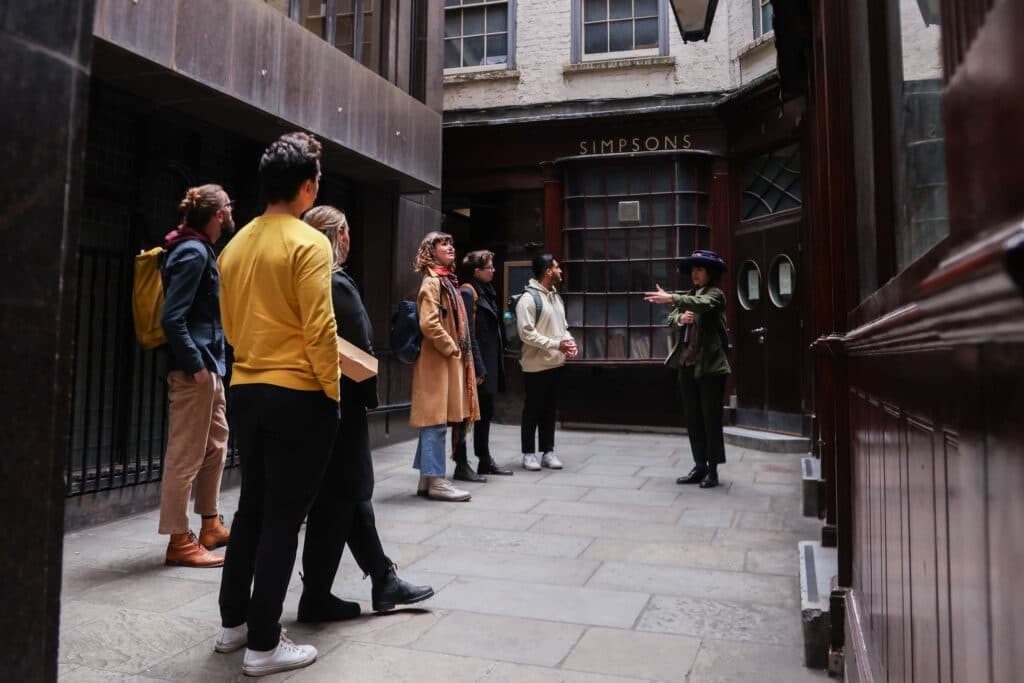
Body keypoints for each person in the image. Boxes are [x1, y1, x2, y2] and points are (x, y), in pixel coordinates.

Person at [215, 133, 339, 677]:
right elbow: (320, 327)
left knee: (252, 509)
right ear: (308, 186)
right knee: (285, 519)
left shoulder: (235, 245)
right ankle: (264, 644)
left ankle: (233, 625)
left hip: (246, 387)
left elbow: (229, 326)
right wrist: (331, 390)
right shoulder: (310, 243)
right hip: (299, 392)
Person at [299, 206, 434, 621]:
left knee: (347, 493)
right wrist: (368, 392)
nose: (349, 238)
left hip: (317, 400)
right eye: (346, 231)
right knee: (343, 493)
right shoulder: (334, 282)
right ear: (337, 234)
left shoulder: (305, 279)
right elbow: (359, 343)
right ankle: (317, 596)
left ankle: (382, 578)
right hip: (341, 402)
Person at [158, 184, 234, 567]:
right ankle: (178, 540)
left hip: (209, 365)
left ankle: (210, 525)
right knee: (185, 455)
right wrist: (196, 366)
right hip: (196, 370)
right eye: (228, 206)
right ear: (217, 214)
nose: (232, 210)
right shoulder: (191, 251)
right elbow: (172, 318)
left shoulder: (199, 247)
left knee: (216, 443)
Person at [643, 249, 731, 489]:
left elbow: (701, 305)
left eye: (700, 269)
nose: (695, 273)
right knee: (693, 418)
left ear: (710, 273)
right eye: (693, 269)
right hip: (687, 364)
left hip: (710, 367)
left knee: (711, 418)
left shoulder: (715, 295)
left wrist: (672, 298)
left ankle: (712, 470)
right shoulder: (689, 295)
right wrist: (680, 319)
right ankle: (699, 465)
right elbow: (671, 319)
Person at [409, 231, 480, 501]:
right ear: (431, 251)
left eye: (451, 243)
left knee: (434, 420)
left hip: (441, 362)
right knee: (435, 421)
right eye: (442, 244)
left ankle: (426, 480)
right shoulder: (433, 282)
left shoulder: (445, 280)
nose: (450, 247)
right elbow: (429, 323)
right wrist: (452, 347)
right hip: (437, 362)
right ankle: (437, 481)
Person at [450, 250, 514, 482]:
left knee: (485, 413)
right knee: (465, 415)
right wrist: (477, 367)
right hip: (476, 364)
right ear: (477, 271)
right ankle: (461, 464)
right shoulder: (468, 292)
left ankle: (484, 460)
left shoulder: (486, 291)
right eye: (490, 267)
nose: (494, 270)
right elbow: (467, 333)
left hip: (488, 362)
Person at [517, 254, 577, 471]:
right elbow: (527, 334)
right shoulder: (528, 299)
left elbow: (563, 326)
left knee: (550, 409)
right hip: (535, 365)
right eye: (557, 267)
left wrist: (569, 342)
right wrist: (556, 344)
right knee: (532, 409)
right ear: (547, 271)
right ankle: (528, 454)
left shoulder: (556, 297)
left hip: (555, 363)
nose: (560, 270)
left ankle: (548, 452)